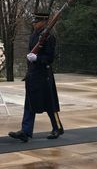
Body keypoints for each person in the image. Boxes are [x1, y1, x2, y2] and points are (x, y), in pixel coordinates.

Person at [8, 12, 63, 142]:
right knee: (30, 103)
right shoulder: (35, 35)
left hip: (44, 75)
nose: (34, 23)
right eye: (34, 21)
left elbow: (49, 58)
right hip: (33, 74)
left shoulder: (49, 37)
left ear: (44, 21)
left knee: (50, 104)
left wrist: (37, 58)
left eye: (37, 21)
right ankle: (26, 131)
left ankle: (57, 128)